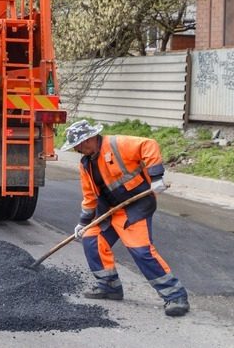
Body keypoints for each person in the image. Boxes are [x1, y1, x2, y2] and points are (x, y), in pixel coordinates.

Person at [60, 119, 190, 317]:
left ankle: (175, 295)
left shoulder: (117, 144)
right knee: (91, 240)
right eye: (76, 147)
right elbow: (89, 196)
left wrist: (156, 177)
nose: (78, 150)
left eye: (79, 145)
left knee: (141, 251)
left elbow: (149, 145)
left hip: (135, 206)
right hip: (109, 210)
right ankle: (109, 286)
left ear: (90, 138)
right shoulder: (85, 164)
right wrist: (83, 223)